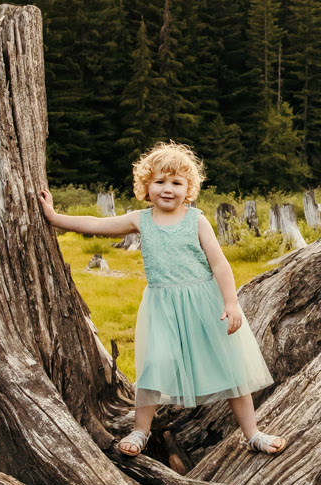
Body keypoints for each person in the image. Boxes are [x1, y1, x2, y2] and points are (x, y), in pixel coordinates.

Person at [42, 142, 286, 457]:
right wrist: (53, 216)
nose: (167, 189)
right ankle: (141, 430)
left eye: (176, 183)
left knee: (231, 369)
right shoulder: (140, 219)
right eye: (159, 182)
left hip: (204, 303)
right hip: (162, 305)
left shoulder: (195, 219)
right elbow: (95, 225)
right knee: (154, 366)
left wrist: (231, 302)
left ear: (189, 189)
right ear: (146, 186)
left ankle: (252, 434)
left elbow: (220, 263)